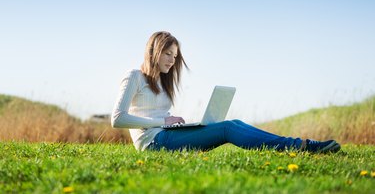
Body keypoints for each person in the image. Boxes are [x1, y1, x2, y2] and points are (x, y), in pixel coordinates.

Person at [111, 31, 341, 153]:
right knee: (228, 129)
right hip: (153, 143)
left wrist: (173, 123)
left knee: (234, 123)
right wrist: (162, 120)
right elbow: (117, 119)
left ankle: (300, 144)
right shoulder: (134, 76)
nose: (172, 60)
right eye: (168, 54)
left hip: (165, 135)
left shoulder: (163, 81)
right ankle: (301, 146)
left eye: (175, 55)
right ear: (154, 51)